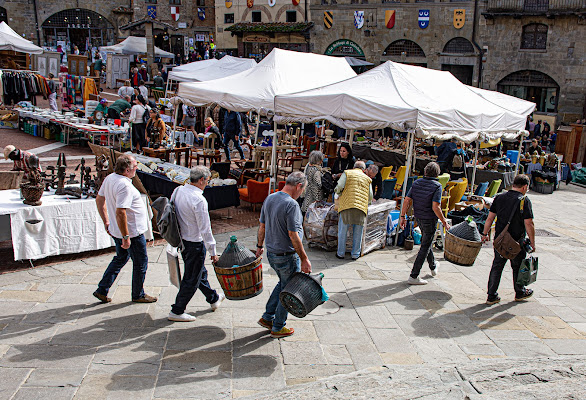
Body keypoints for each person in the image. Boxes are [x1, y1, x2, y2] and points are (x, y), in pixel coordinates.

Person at [93, 154, 157, 304]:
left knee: (120, 258)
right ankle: (137, 294)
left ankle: (102, 289)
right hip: (131, 233)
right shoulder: (124, 185)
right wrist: (126, 237)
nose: (136, 169)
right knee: (141, 262)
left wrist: (106, 221)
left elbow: (99, 199)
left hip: (118, 230)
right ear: (127, 170)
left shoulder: (110, 178)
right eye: (135, 166)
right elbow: (120, 212)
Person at [256, 172, 312, 338]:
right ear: (299, 186)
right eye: (302, 190)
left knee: (283, 284)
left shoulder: (270, 198)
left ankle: (268, 317)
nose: (301, 193)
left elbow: (262, 227)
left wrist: (259, 246)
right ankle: (278, 326)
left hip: (272, 253)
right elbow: (293, 235)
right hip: (286, 255)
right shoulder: (291, 205)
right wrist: (304, 258)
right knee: (289, 290)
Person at [168, 166, 225, 321]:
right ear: (201, 180)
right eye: (207, 181)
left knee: (199, 273)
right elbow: (205, 229)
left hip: (183, 241)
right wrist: (213, 251)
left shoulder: (178, 191)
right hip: (194, 243)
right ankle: (177, 310)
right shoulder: (199, 199)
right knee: (191, 278)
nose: (207, 183)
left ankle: (213, 298)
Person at [481, 174, 535, 305]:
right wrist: (533, 242)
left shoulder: (499, 197)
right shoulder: (524, 201)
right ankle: (520, 292)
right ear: (525, 187)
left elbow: (490, 218)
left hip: (500, 239)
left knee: (497, 266)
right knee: (517, 267)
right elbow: (529, 223)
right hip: (517, 241)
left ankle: (491, 295)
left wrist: (484, 233)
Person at [400, 162, 450, 285]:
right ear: (437, 173)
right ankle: (414, 275)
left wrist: (403, 216)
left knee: (426, 242)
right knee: (425, 246)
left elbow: (407, 200)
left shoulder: (417, 183)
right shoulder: (437, 186)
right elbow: (435, 207)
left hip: (419, 217)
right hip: (429, 219)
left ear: (425, 171)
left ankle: (433, 267)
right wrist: (444, 221)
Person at [335, 161, 372, 260]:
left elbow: (339, 186)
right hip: (361, 207)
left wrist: (338, 193)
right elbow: (370, 196)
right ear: (364, 170)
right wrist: (366, 203)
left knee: (343, 230)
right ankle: (355, 254)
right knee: (358, 231)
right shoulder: (367, 179)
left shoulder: (347, 173)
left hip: (347, 205)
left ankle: (340, 253)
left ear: (353, 167)